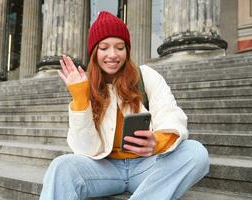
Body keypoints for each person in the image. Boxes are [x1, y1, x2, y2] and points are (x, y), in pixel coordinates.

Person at [40, 11, 209, 200]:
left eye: (119, 47)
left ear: (127, 50)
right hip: (105, 169)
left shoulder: (146, 76)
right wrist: (80, 97)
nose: (112, 55)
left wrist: (156, 142)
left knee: (196, 153)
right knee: (61, 166)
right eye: (104, 48)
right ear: (95, 52)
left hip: (146, 165)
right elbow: (86, 150)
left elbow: (171, 114)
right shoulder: (85, 86)